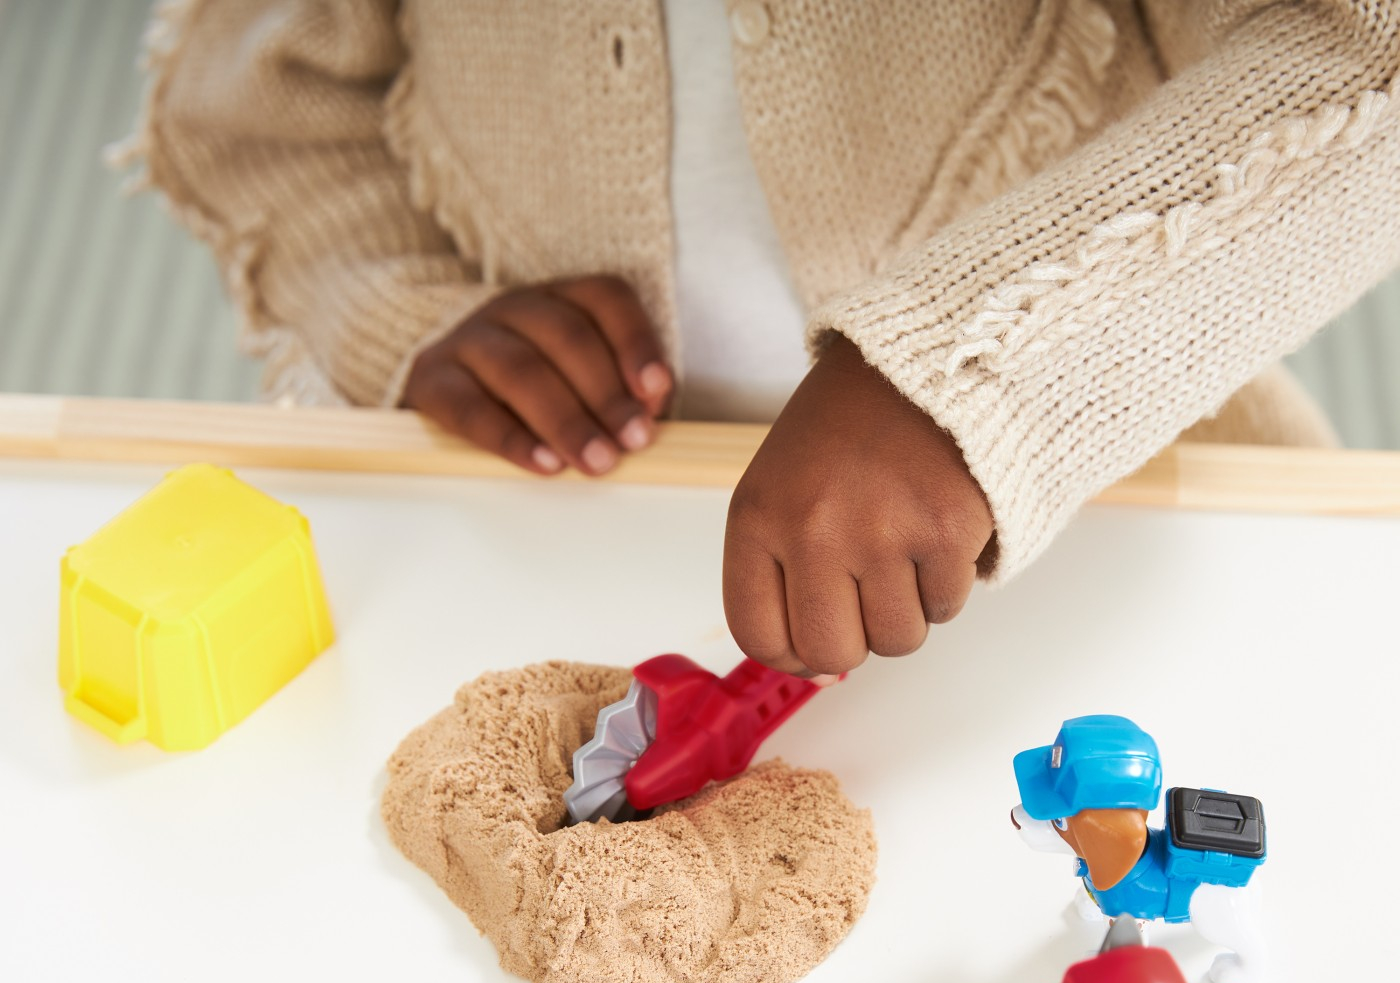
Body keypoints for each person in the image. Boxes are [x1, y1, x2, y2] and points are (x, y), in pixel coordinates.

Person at [121, 0, 1400, 677]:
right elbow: (256, 115)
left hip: (1128, 498)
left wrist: (970, 367)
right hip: (538, 521)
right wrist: (403, 312)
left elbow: (1367, 59)